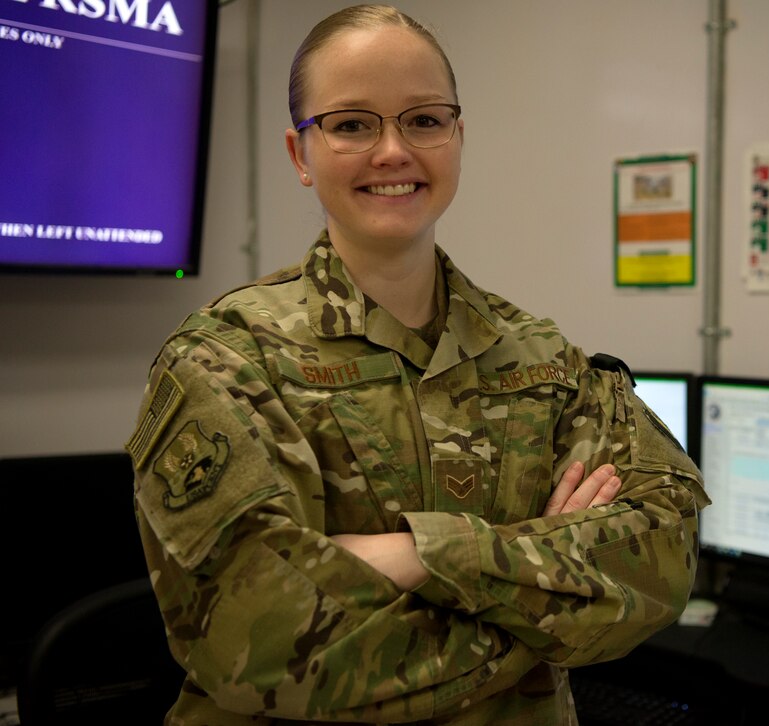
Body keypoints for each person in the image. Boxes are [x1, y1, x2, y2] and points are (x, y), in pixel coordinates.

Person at [126, 5, 708, 724]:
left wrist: (417, 555)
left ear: (458, 137)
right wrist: (545, 608)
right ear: (298, 154)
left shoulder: (544, 360)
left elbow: (661, 562)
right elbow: (260, 645)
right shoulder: (225, 362)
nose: (393, 151)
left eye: (424, 120)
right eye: (351, 124)